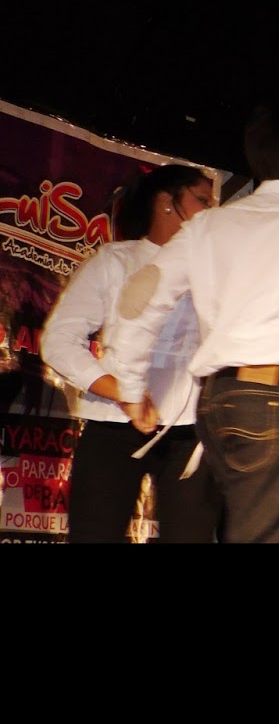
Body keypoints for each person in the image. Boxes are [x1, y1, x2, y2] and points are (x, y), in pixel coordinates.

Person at [109, 102, 279, 543]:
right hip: (276, 404)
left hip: (215, 404)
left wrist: (129, 383)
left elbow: (141, 297)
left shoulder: (207, 227)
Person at [40, 164, 219, 542]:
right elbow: (58, 340)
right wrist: (123, 392)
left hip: (190, 430)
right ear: (166, 203)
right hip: (113, 424)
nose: (211, 211)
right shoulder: (116, 260)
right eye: (203, 200)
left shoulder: (214, 272)